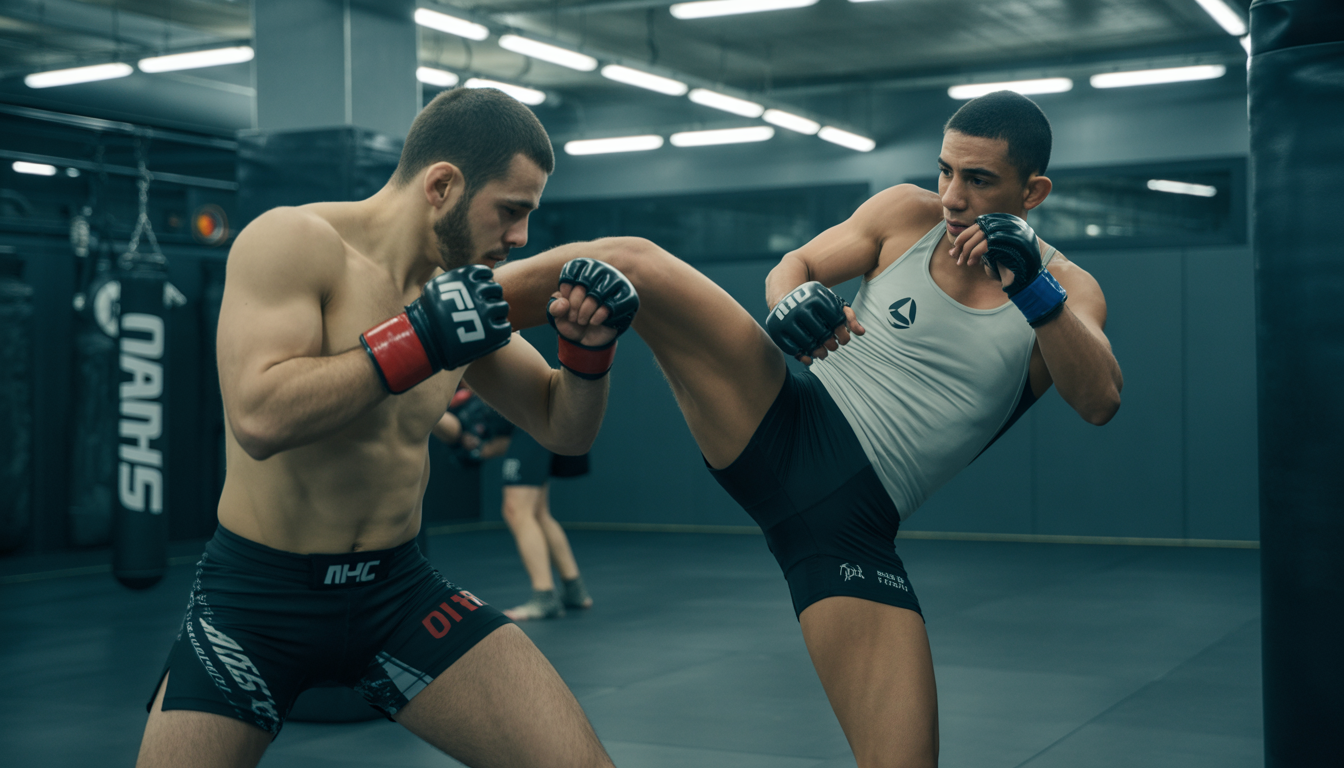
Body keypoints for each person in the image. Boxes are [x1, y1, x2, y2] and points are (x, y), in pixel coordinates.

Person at [495, 90, 1123, 767]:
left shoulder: (1067, 287)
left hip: (850, 527)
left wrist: (1034, 291)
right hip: (782, 418)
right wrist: (789, 299)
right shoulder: (904, 214)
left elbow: (1099, 399)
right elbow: (792, 266)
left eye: (978, 180)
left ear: (1034, 192)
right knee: (632, 261)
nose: (951, 196)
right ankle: (439, 315)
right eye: (945, 171)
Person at [134, 87, 639, 768]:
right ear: (442, 184)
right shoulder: (294, 241)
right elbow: (259, 415)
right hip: (256, 603)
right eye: (511, 211)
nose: (520, 238)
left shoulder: (460, 293)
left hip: (397, 597)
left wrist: (587, 358)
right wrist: (419, 340)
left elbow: (562, 428)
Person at [433, 392, 595, 621]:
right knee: (539, 513)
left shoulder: (464, 407)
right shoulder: (473, 406)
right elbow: (496, 444)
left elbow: (457, 431)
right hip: (549, 419)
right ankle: (574, 590)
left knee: (516, 509)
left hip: (535, 422)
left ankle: (545, 597)